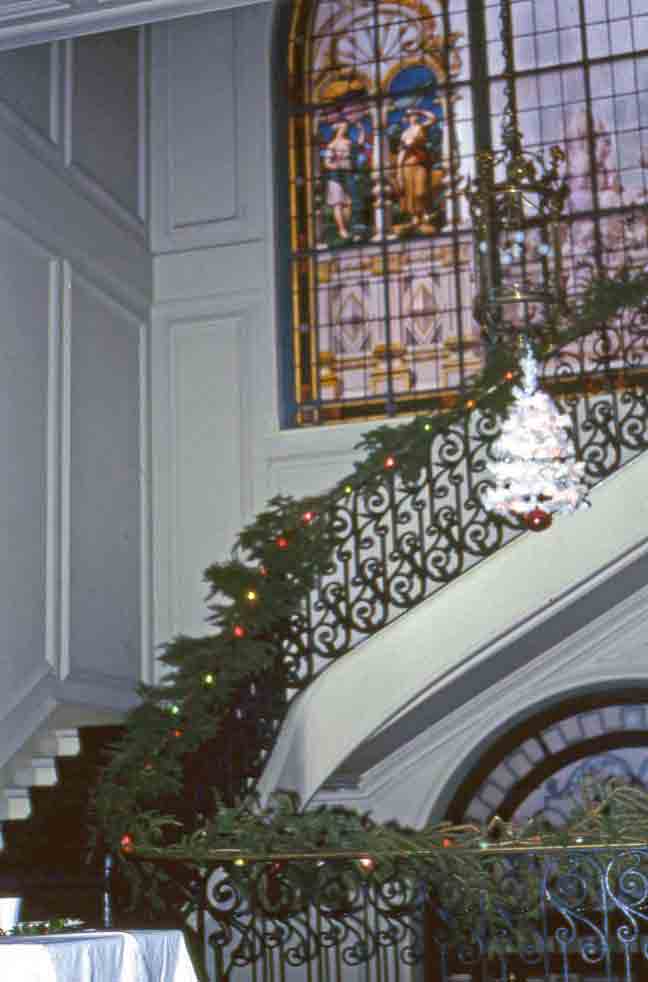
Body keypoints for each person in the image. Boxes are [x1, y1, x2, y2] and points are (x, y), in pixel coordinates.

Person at [396, 107, 442, 227]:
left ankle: (426, 212)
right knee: (410, 192)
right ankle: (415, 216)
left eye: (415, 115)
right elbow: (401, 153)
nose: (414, 117)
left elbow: (433, 118)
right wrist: (399, 171)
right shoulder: (404, 134)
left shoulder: (421, 127)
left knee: (421, 191)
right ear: (407, 119)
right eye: (411, 115)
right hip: (407, 165)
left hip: (420, 163)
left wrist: (420, 110)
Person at [323, 120, 365, 241]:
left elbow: (360, 144)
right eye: (343, 127)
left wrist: (361, 129)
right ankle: (342, 230)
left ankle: (353, 229)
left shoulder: (349, 142)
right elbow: (327, 163)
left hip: (348, 174)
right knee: (338, 203)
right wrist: (336, 165)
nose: (345, 129)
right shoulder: (332, 144)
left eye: (346, 127)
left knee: (352, 202)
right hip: (336, 176)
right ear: (337, 129)